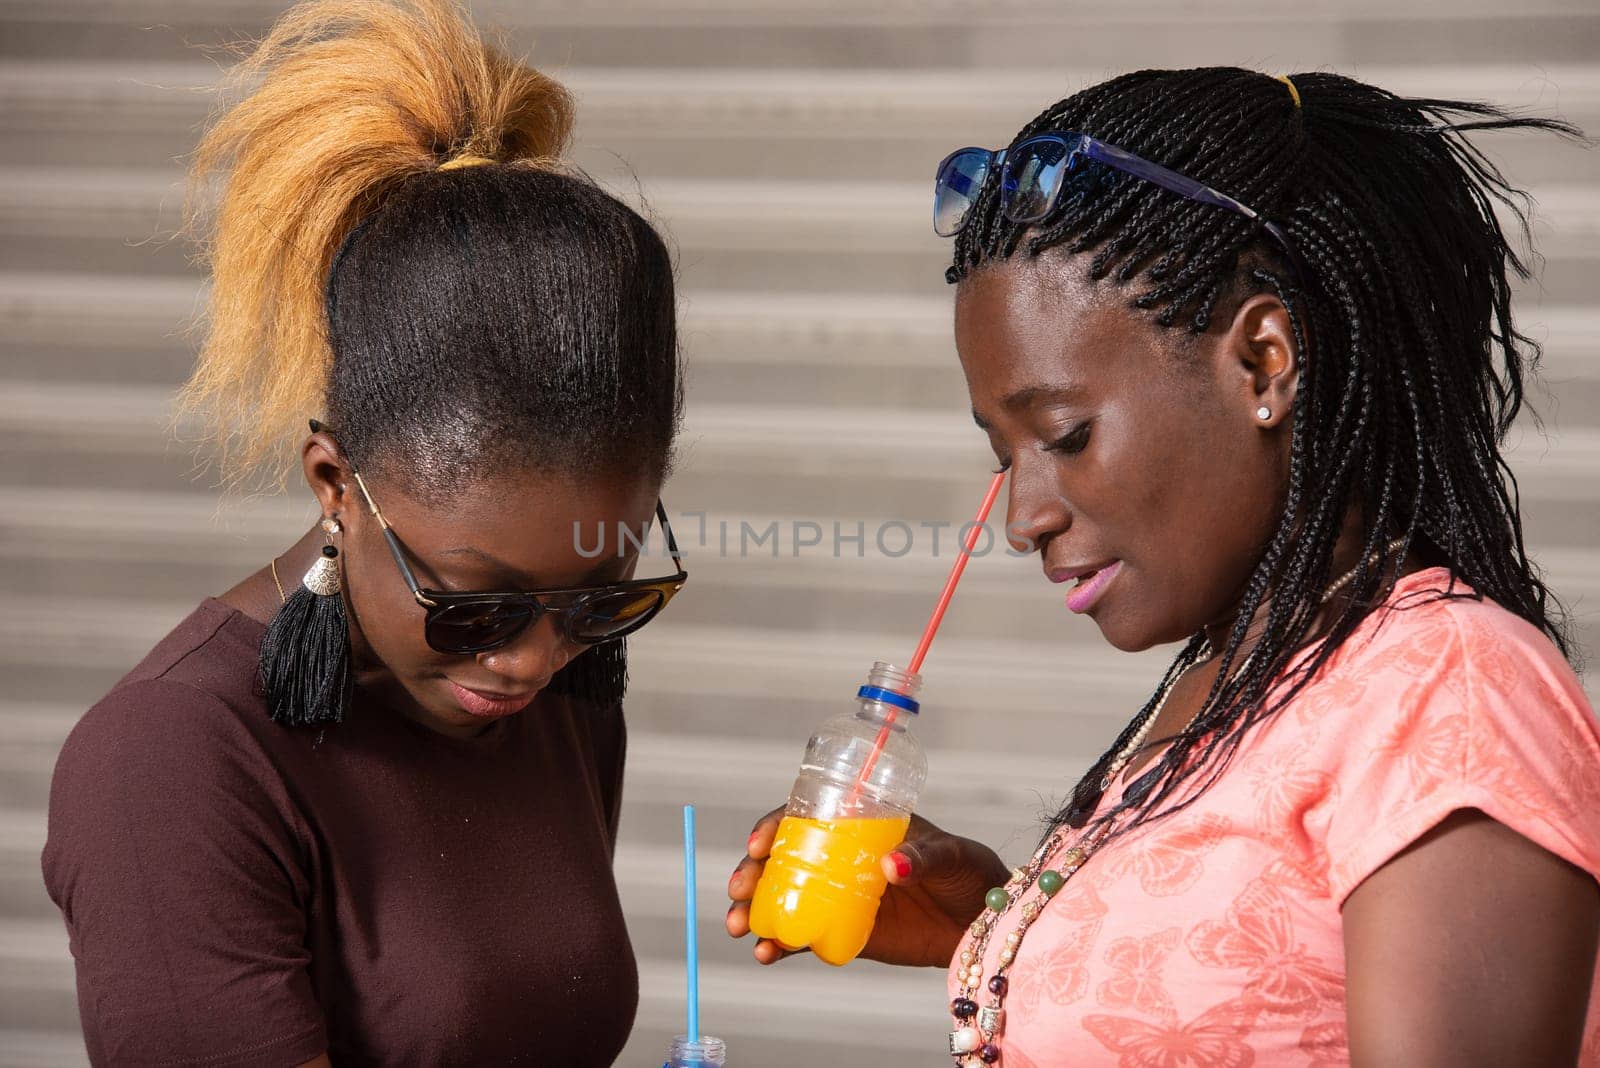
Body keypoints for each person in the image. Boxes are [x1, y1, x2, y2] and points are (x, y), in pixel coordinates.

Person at [728, 68, 1600, 1065]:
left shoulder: (1451, 691)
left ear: (1263, 363)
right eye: (1001, 453)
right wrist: (1006, 926)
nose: (1024, 517)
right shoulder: (1226, 675)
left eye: (1064, 433)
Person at [42, 0, 686, 1063]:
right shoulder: (172, 762)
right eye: (472, 602)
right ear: (335, 481)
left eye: (595, 595)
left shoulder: (554, 688)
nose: (531, 658)